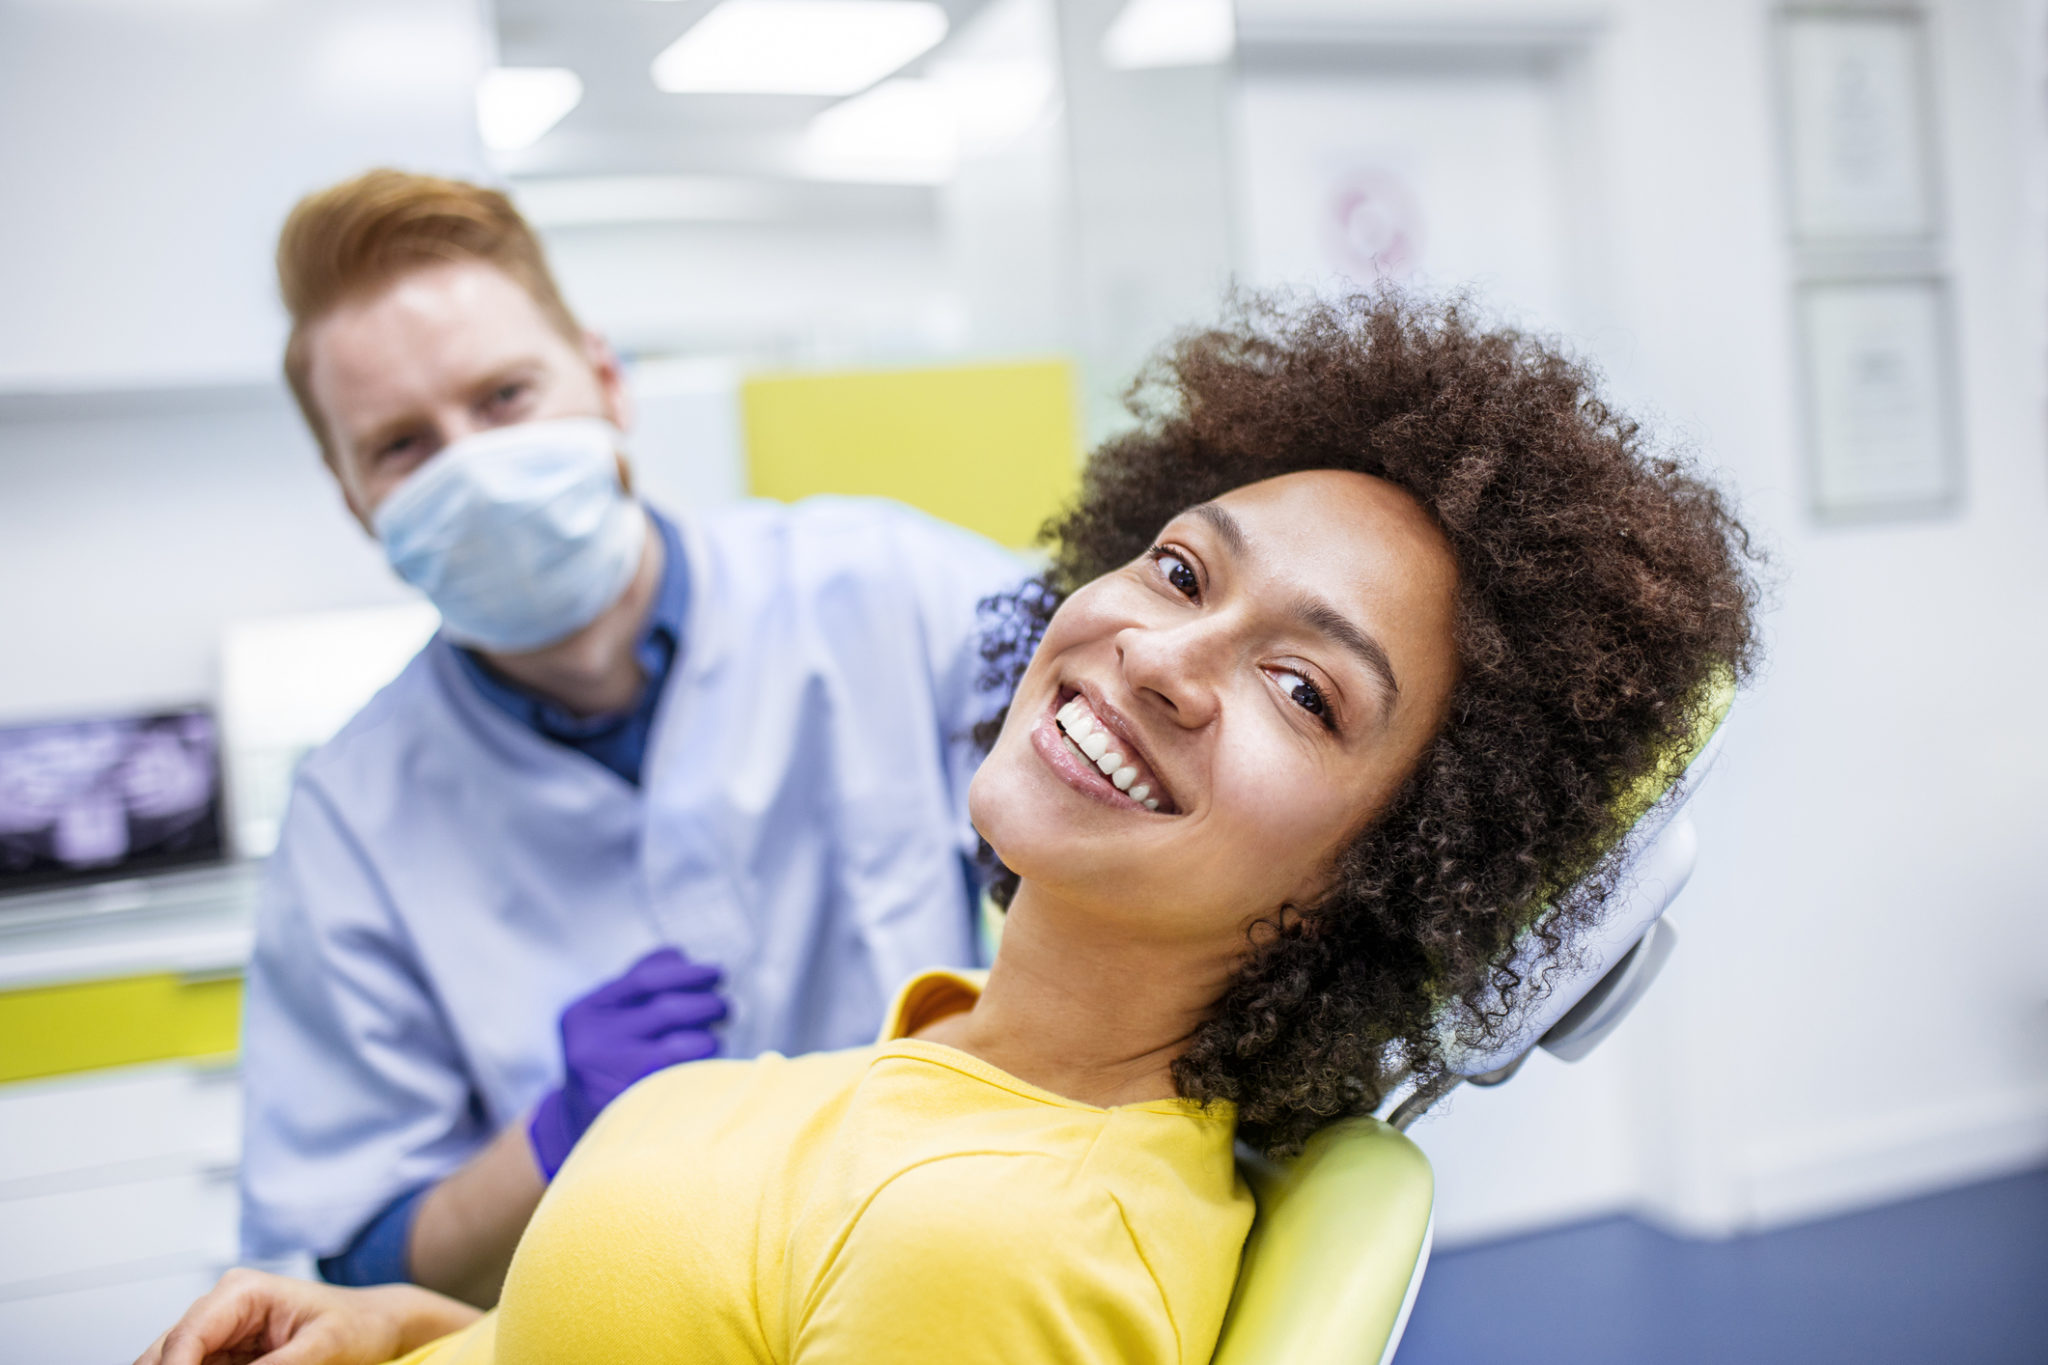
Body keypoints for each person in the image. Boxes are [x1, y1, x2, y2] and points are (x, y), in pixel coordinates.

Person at [148, 291, 1760, 1365]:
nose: (1160, 656)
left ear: (1389, 876)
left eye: (1303, 690)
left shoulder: (1002, 1242)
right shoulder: (953, 1068)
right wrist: (413, 1332)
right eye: (1181, 570)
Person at [239, 169, 1023, 1303]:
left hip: (943, 1275)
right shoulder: (350, 821)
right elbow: (361, 1252)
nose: (473, 469)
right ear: (353, 495)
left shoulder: (894, 593)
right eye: (404, 445)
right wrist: (559, 1132)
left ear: (606, 380)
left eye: (504, 397)